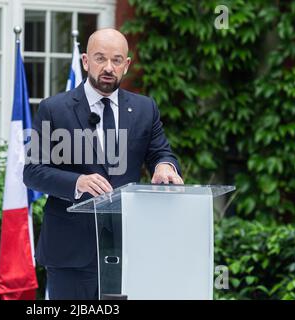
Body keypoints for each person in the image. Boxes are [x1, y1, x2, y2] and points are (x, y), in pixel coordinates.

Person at [23, 28, 183, 300]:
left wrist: (164, 166)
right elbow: (33, 171)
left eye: (117, 60)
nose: (108, 67)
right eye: (100, 59)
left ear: (127, 65)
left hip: (129, 247)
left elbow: (161, 153)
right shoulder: (54, 108)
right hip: (70, 251)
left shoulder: (145, 108)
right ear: (86, 61)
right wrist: (77, 182)